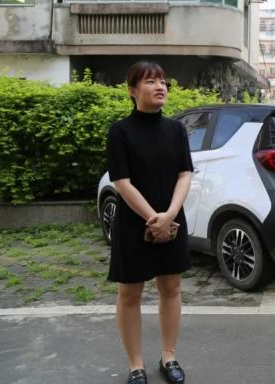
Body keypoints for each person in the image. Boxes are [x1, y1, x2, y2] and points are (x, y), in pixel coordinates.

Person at [106, 60, 193, 384]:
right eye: (150, 81)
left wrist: (169, 215)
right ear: (132, 90)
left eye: (163, 81)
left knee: (171, 287)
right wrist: (152, 218)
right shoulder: (120, 131)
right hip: (133, 223)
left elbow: (185, 174)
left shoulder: (176, 130)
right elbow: (121, 181)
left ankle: (169, 356)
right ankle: (136, 365)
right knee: (130, 293)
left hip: (172, 220)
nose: (160, 87)